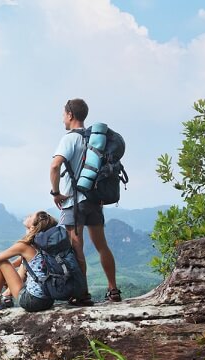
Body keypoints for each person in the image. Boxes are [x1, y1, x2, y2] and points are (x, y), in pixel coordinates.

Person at [49, 98, 122, 304]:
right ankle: (113, 290)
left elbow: (55, 166)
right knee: (102, 246)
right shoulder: (94, 140)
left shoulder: (69, 139)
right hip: (94, 199)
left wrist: (55, 193)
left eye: (63, 114)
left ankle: (82, 293)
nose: (62, 118)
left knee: (76, 247)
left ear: (70, 115)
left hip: (74, 201)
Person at [0, 210, 59, 312]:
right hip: (48, 300)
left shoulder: (24, 246)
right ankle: (7, 295)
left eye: (30, 216)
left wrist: (2, 272)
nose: (28, 215)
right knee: (22, 264)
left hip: (32, 302)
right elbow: (17, 263)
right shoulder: (43, 244)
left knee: (2, 262)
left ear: (33, 227)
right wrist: (6, 276)